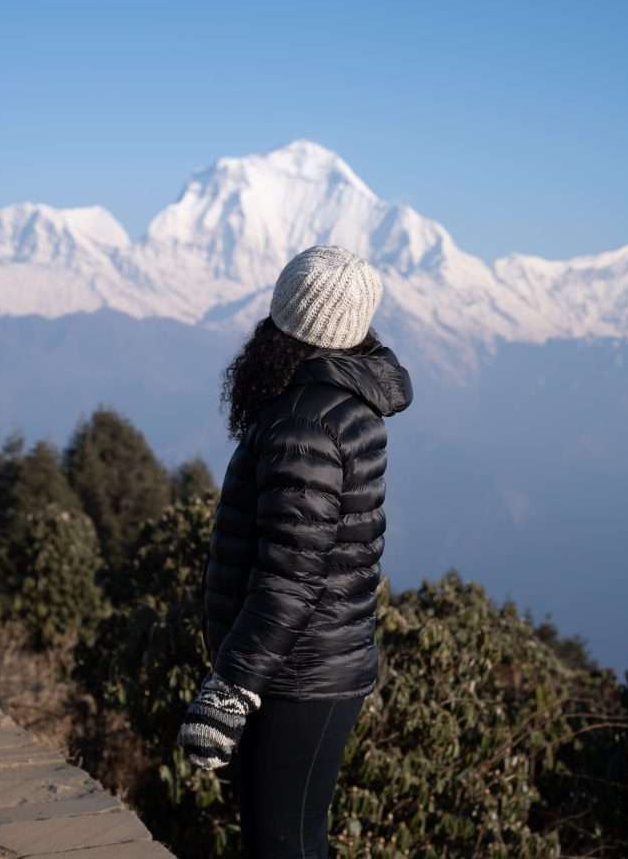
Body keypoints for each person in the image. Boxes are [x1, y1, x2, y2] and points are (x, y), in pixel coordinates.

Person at [177, 244, 414, 858]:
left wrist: (230, 688)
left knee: (279, 843)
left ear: (286, 319)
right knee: (296, 838)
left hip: (298, 675)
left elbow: (290, 577)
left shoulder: (305, 422)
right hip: (319, 663)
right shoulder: (344, 404)